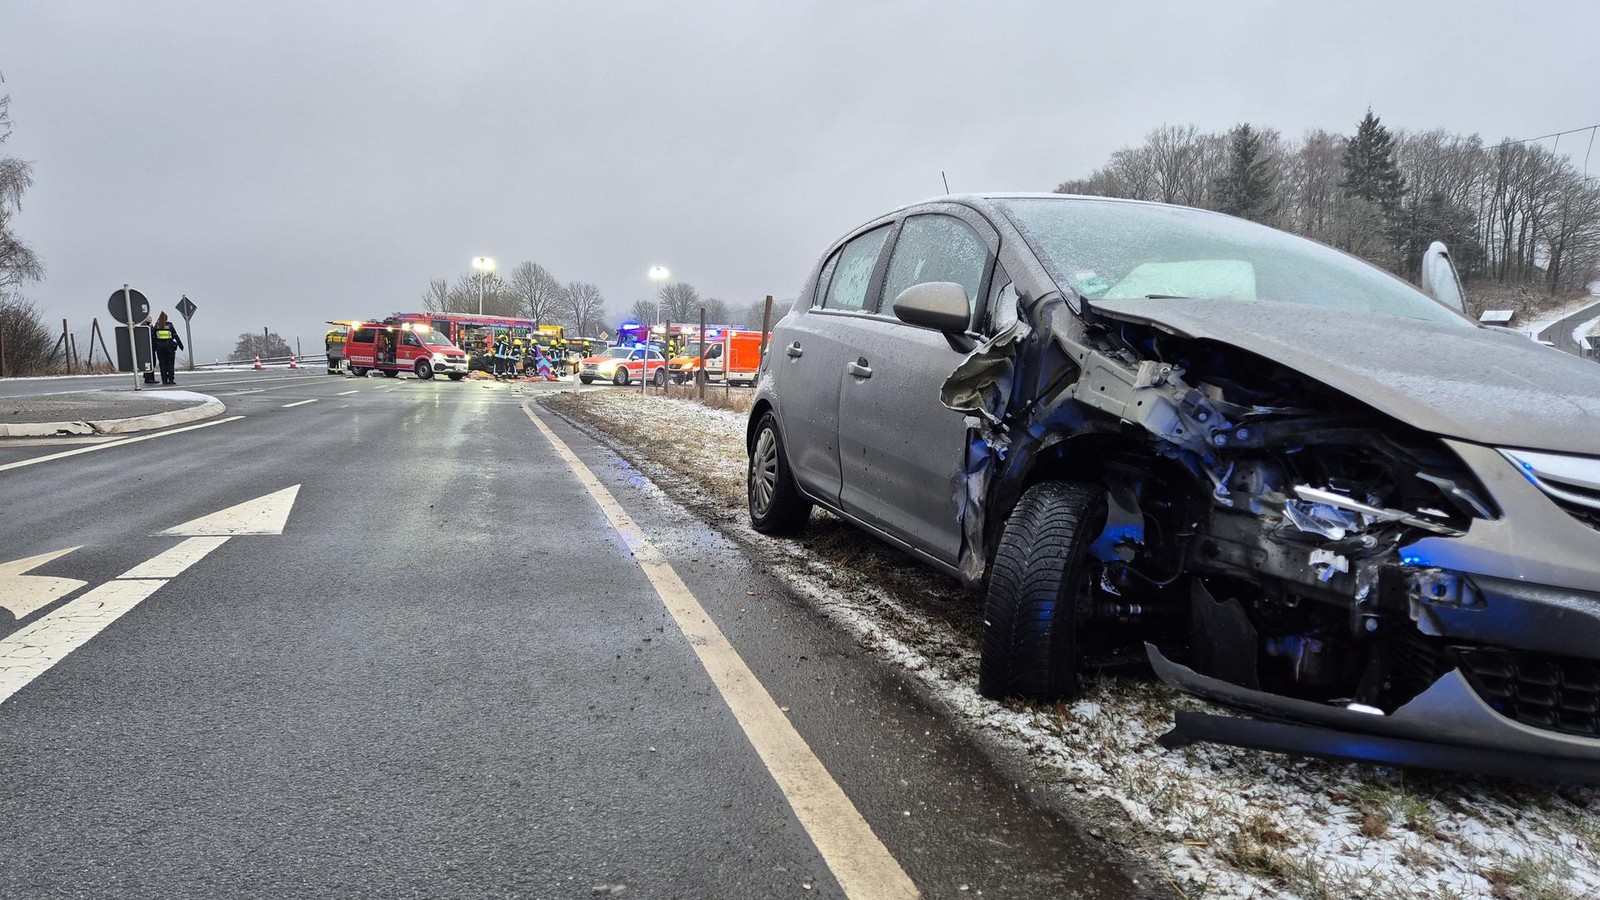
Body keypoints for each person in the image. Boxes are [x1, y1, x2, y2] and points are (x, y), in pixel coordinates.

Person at [151, 312, 184, 385]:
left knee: (162, 364)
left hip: (159, 347)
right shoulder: (170, 326)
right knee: (170, 363)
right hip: (169, 346)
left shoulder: (156, 326)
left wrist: (153, 348)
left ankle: (164, 380)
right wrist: (181, 345)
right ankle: (171, 379)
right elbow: (175, 336)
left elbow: (153, 338)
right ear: (166, 319)